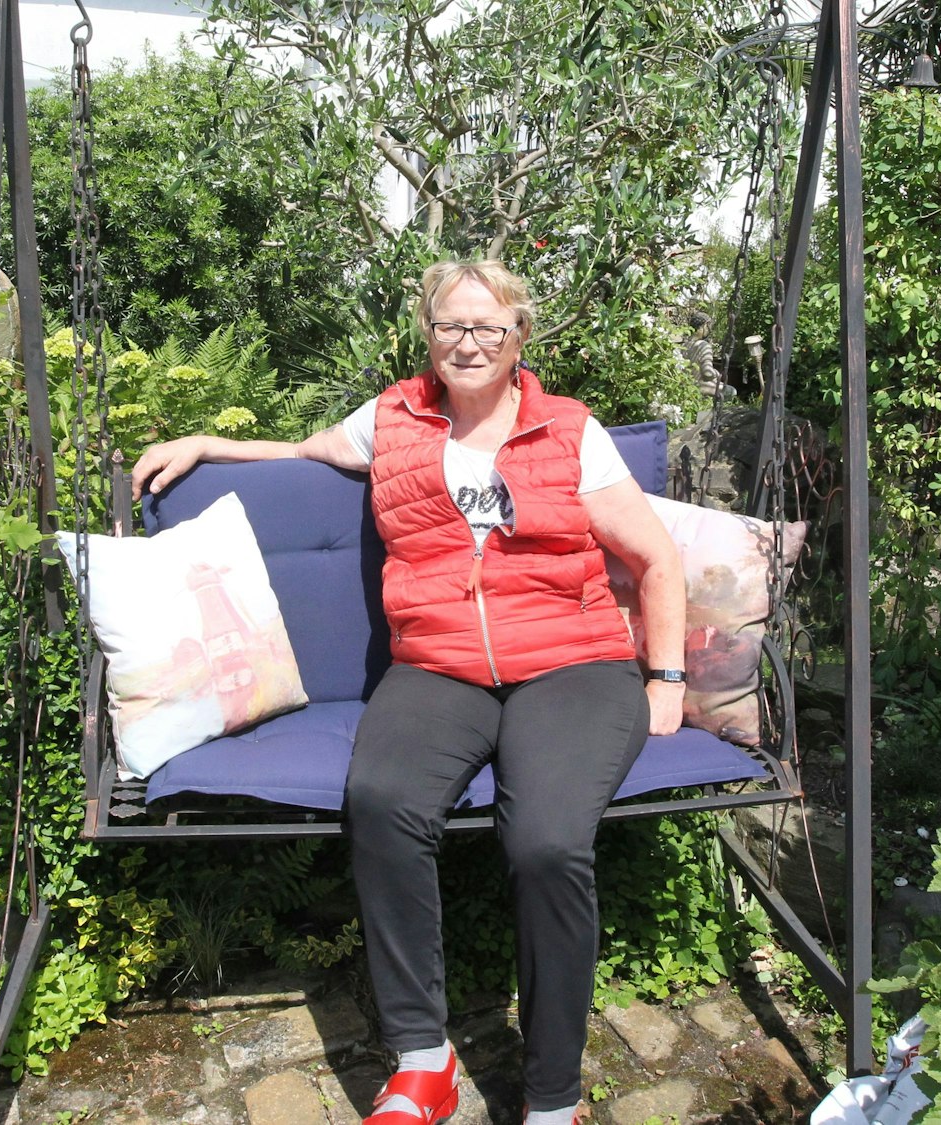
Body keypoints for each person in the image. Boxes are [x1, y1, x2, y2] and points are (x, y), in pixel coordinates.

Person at [132, 260, 686, 1125]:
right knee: (383, 800)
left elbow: (656, 558)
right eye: (451, 327)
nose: (469, 343)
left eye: (488, 328)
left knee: (545, 843)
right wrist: (208, 445)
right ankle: (423, 1061)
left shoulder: (572, 431)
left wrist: (668, 677)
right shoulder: (391, 417)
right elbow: (303, 451)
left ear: (519, 338)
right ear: (427, 333)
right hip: (439, 666)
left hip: (573, 666)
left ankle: (553, 1098)